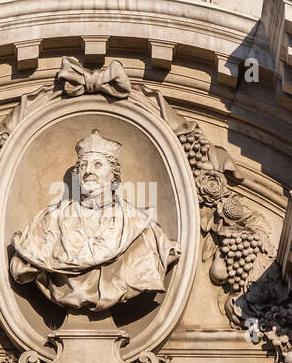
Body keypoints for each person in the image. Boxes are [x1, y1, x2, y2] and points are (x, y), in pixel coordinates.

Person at [10, 130, 180, 311]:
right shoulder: (49, 220)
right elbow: (21, 267)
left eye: (98, 164)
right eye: (83, 166)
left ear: (113, 174)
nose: (88, 171)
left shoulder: (141, 226)